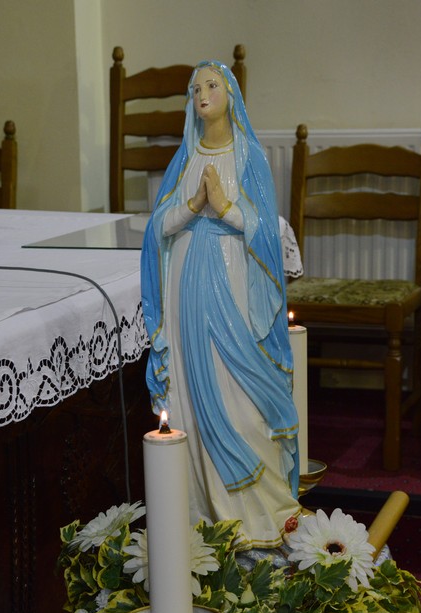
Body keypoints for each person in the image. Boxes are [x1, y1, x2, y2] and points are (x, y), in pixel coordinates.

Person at [141, 60, 301, 550]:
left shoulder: (249, 155)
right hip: (188, 283)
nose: (202, 95)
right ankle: (204, 512)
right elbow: (158, 227)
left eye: (211, 85)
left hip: (234, 283)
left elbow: (265, 232)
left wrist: (225, 208)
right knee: (193, 385)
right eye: (195, 89)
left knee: (241, 394)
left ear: (231, 94)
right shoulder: (186, 157)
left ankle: (260, 511)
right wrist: (193, 206)